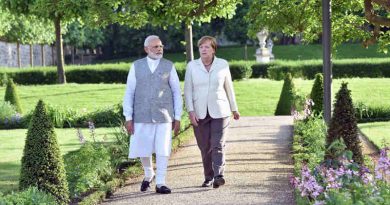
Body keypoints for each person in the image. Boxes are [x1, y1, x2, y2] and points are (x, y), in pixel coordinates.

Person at [123, 35, 182, 194]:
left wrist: (177, 117)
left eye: (161, 46)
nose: (159, 49)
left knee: (163, 149)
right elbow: (129, 92)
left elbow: (177, 92)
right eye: (155, 46)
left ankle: (161, 182)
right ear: (146, 49)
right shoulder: (136, 66)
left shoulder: (169, 66)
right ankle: (149, 174)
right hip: (141, 114)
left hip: (164, 115)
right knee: (143, 149)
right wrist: (128, 117)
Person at [184, 36, 240, 188]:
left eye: (207, 47)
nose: (203, 49)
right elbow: (187, 91)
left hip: (221, 111)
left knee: (218, 144)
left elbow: (229, 87)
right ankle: (208, 176)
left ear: (214, 49)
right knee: (205, 146)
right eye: (201, 47)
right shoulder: (192, 66)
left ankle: (218, 175)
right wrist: (190, 111)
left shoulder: (222, 64)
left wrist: (234, 108)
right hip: (199, 112)